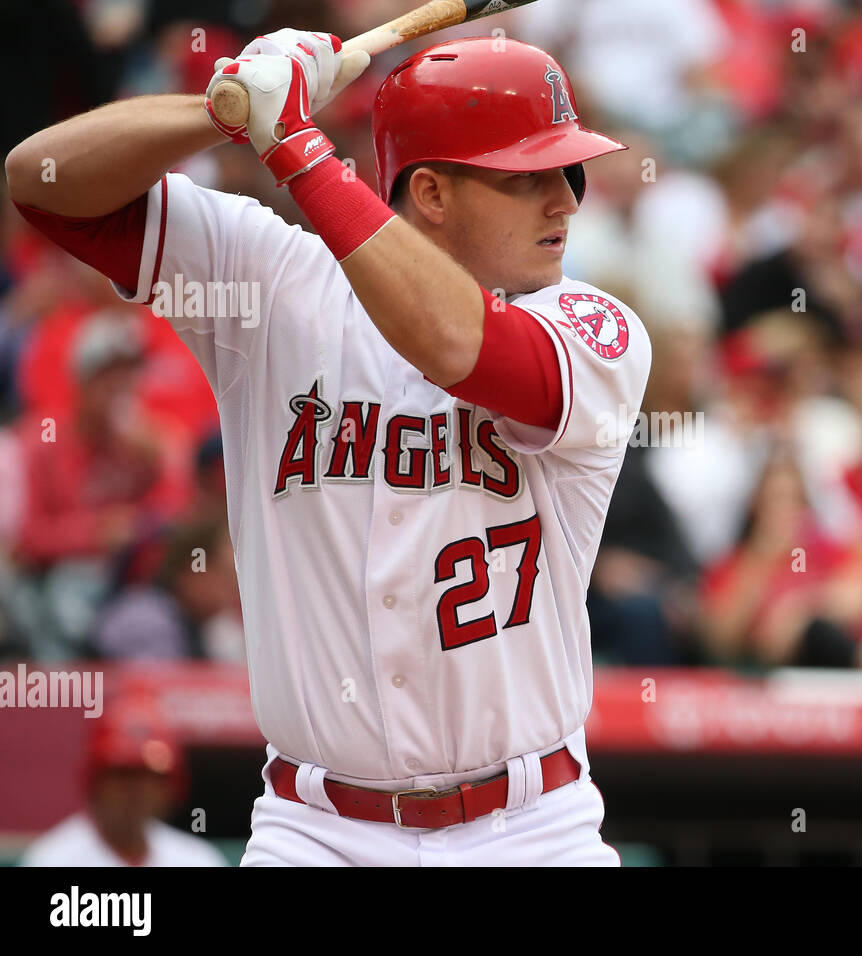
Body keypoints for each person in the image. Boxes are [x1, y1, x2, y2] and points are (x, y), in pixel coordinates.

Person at [7, 30, 650, 865]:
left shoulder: (593, 328)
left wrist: (296, 146)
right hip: (317, 831)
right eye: (528, 178)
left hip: (530, 829)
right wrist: (226, 108)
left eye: (568, 173)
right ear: (432, 193)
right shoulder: (272, 283)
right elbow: (42, 182)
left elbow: (461, 346)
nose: (566, 201)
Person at [21, 695, 226, 867]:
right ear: (97, 782)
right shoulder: (53, 860)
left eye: (148, 777)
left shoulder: (197, 859)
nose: (136, 791)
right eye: (123, 775)